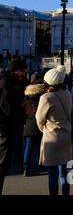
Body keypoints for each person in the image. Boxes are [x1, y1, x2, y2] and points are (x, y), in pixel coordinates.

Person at [35, 65, 72, 195]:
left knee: (52, 174)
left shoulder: (46, 97)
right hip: (66, 133)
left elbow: (39, 119)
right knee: (63, 172)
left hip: (52, 135)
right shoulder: (67, 93)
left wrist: (44, 129)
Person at [0, 58, 28, 194]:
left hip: (9, 125)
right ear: (15, 70)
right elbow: (8, 108)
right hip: (5, 127)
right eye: (22, 70)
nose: (24, 73)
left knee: (5, 161)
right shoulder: (6, 83)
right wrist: (23, 112)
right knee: (3, 161)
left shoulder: (13, 82)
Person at [22, 75, 45, 177]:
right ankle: (42, 162)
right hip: (40, 123)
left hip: (29, 122)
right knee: (42, 144)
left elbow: (23, 108)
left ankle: (26, 167)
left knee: (28, 146)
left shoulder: (26, 94)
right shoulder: (42, 94)